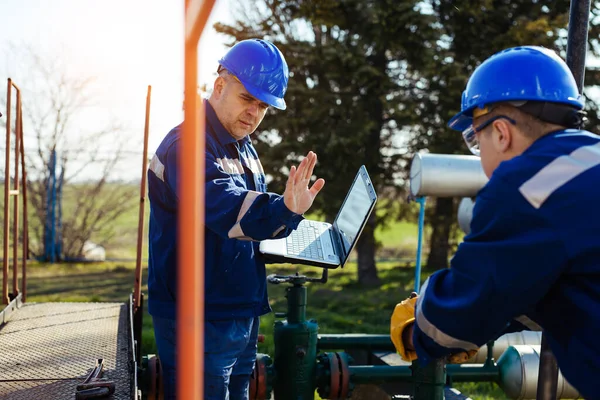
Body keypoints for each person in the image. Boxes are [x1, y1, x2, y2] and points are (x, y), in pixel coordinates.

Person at [390, 45, 600, 398]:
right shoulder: (588, 160)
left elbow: (449, 325)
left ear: (501, 132)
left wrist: (415, 323)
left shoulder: (526, 187)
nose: (480, 154)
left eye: (475, 139)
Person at [148, 38, 325, 399]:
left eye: (263, 106)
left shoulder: (241, 144)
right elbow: (227, 209)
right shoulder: (189, 145)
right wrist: (284, 211)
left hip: (235, 309)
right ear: (219, 86)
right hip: (197, 315)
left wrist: (287, 221)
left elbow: (248, 214)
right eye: (248, 99)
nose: (254, 113)